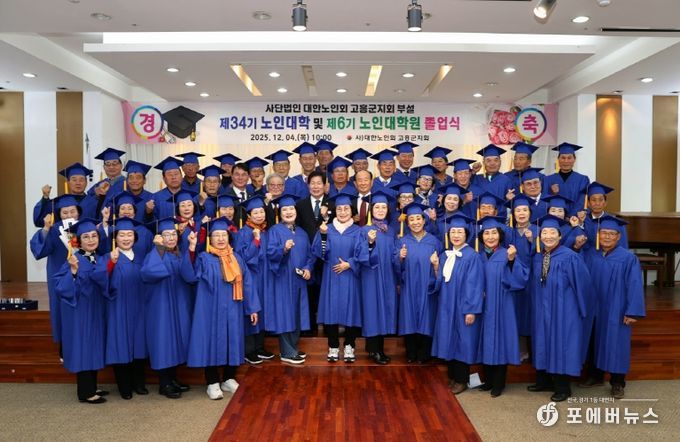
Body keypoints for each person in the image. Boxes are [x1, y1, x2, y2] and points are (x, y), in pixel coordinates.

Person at [187, 217, 259, 400]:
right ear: (210, 238)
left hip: (233, 307)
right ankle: (212, 382)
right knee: (211, 342)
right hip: (210, 309)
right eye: (216, 235)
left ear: (229, 237)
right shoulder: (204, 258)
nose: (220, 239)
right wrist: (192, 249)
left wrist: (252, 308)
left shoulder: (237, 258)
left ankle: (228, 378)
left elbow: (247, 284)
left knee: (233, 340)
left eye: (223, 235)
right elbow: (190, 275)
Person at [527, 215, 591, 402]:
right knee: (542, 341)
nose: (548, 236)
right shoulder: (538, 257)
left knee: (561, 344)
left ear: (560, 235)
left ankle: (563, 387)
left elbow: (583, 284)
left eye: (552, 232)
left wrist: (581, 310)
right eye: (544, 233)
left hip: (564, 310)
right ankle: (544, 381)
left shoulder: (570, 257)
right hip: (542, 309)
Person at [581, 215, 645, 399]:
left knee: (617, 343)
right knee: (594, 341)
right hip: (594, 308)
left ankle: (617, 382)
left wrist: (632, 311)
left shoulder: (628, 258)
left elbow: (634, 285)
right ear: (598, 235)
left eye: (611, 234)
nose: (607, 237)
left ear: (618, 236)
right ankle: (596, 376)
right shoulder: (591, 255)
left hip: (616, 308)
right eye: (604, 233)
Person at [140, 217, 196, 399]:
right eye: (166, 235)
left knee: (176, 340)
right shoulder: (154, 254)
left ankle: (172, 379)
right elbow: (149, 273)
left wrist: (191, 248)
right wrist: (158, 248)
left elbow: (189, 276)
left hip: (178, 304)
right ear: (159, 237)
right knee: (164, 342)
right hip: (161, 307)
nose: (171, 238)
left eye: (173, 234)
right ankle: (164, 384)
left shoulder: (178, 254)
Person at [54, 218, 107, 404]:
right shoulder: (73, 259)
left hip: (95, 310)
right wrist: (74, 271)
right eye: (86, 237)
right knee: (84, 348)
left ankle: (92, 386)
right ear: (78, 241)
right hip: (81, 312)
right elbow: (61, 287)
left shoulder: (99, 258)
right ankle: (85, 392)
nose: (91, 240)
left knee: (93, 347)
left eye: (94, 236)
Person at [477, 216, 529, 398]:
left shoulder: (508, 254)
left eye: (494, 233)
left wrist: (512, 261)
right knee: (486, 341)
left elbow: (521, 278)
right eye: (486, 233)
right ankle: (488, 380)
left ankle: (499, 383)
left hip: (502, 304)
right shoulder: (478, 256)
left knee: (501, 341)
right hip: (484, 305)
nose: (490, 237)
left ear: (500, 235)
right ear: (481, 237)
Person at [431, 213, 484, 394]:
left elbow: (475, 285)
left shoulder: (472, 256)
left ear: (466, 234)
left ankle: (462, 379)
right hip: (447, 305)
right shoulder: (445, 255)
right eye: (453, 231)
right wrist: (436, 267)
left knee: (463, 342)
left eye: (460, 232)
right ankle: (453, 377)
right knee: (449, 339)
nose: (456, 235)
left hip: (463, 306)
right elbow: (440, 281)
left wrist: (471, 310)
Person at [98, 217, 148, 399]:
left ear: (135, 237)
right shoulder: (108, 257)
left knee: (139, 345)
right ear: (115, 238)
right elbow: (100, 279)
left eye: (129, 235)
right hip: (118, 308)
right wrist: (111, 264)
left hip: (139, 308)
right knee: (121, 345)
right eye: (122, 235)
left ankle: (139, 383)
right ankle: (124, 386)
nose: (126, 238)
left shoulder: (141, 257)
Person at [312, 191, 365, 363]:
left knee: (351, 310)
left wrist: (350, 263)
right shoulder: (326, 229)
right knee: (331, 310)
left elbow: (363, 253)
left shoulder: (358, 231)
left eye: (346, 209)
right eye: (339, 209)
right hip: (332, 275)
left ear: (351, 211)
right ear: (335, 211)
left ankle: (350, 345)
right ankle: (333, 346)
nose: (342, 212)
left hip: (350, 275)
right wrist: (323, 235)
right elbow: (318, 253)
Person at [30, 194, 85, 346]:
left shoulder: (85, 228)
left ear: (78, 212)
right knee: (61, 309)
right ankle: (63, 345)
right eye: (65, 212)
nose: (69, 215)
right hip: (59, 275)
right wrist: (46, 228)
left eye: (72, 211)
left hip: (82, 274)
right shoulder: (54, 230)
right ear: (59, 214)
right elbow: (40, 251)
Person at [266, 194, 315, 364]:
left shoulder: (301, 232)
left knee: (297, 313)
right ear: (280, 213)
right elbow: (270, 254)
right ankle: (286, 352)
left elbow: (310, 255)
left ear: (296, 211)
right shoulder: (274, 231)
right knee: (285, 314)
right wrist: (283, 249)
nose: (288, 212)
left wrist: (308, 268)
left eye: (291, 209)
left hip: (299, 280)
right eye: (284, 209)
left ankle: (293, 347)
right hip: (282, 279)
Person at [394, 202, 442, 363]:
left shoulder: (434, 241)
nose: (415, 222)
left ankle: (424, 353)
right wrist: (400, 257)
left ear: (424, 220)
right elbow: (395, 266)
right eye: (411, 219)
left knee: (427, 317)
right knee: (409, 317)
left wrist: (436, 266)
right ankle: (411, 352)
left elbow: (441, 265)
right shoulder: (402, 241)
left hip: (428, 286)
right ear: (407, 223)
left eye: (418, 219)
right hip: (409, 285)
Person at [358, 190, 399, 364]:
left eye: (384, 207)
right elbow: (358, 255)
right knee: (372, 310)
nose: (380, 210)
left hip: (388, 276)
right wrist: (369, 243)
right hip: (371, 276)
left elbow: (394, 254)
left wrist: (400, 256)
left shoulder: (390, 231)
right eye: (377, 207)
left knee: (384, 310)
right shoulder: (364, 230)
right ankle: (373, 349)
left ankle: (379, 349)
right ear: (371, 210)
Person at [234, 196, 274, 365]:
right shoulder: (243, 233)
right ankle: (248, 350)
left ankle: (259, 347)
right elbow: (242, 258)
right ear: (249, 215)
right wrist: (255, 241)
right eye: (255, 212)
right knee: (251, 309)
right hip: (250, 277)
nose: (259, 215)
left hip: (265, 276)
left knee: (262, 311)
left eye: (261, 212)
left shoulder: (265, 231)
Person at [295, 171, 332, 335]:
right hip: (306, 256)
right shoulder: (300, 205)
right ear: (308, 185)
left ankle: (329, 327)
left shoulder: (333, 204)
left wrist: (326, 218)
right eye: (313, 183)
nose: (316, 186)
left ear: (325, 186)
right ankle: (309, 328)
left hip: (327, 255)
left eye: (319, 183)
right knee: (308, 292)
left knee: (326, 291)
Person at [33, 162, 98, 227]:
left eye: (81, 180)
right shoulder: (58, 203)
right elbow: (39, 221)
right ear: (68, 182)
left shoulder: (95, 202)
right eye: (74, 180)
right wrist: (45, 198)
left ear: (86, 183)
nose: (78, 183)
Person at [543, 142, 590, 215]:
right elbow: (545, 202)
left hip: (576, 218)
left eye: (569, 158)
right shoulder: (548, 179)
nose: (566, 161)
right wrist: (553, 194)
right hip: (555, 218)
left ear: (574, 159)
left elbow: (581, 202)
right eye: (563, 158)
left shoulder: (583, 180)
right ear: (558, 159)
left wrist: (571, 217)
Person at [583, 181, 628, 251]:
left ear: (605, 203)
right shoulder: (583, 221)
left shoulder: (616, 223)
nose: (597, 203)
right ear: (588, 203)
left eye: (601, 200)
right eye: (593, 200)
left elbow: (623, 247)